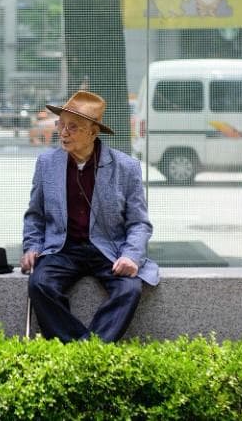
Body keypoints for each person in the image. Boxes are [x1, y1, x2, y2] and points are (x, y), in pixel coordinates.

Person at [20, 90, 159, 342]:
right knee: (39, 284)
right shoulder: (46, 164)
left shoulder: (126, 168)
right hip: (61, 248)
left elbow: (139, 223)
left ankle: (88, 348)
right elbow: (35, 216)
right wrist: (32, 246)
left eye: (72, 127)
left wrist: (131, 256)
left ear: (93, 132)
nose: (63, 133)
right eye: (60, 125)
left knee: (130, 288)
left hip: (109, 249)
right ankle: (83, 349)